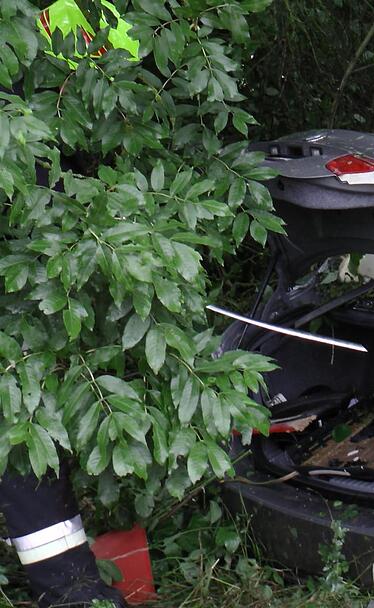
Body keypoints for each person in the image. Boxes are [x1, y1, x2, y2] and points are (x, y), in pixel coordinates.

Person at [1, 2, 138, 606]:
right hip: (44, 237)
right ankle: (70, 589)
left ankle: (72, 588)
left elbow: (130, 62)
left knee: (23, 411)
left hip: (51, 232)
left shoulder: (70, 17)